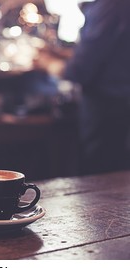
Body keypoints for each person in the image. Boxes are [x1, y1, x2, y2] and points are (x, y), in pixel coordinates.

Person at [62, 0, 130, 175]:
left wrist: (51, 65)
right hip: (116, 101)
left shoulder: (110, 6)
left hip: (108, 105)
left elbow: (81, 69)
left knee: (103, 174)